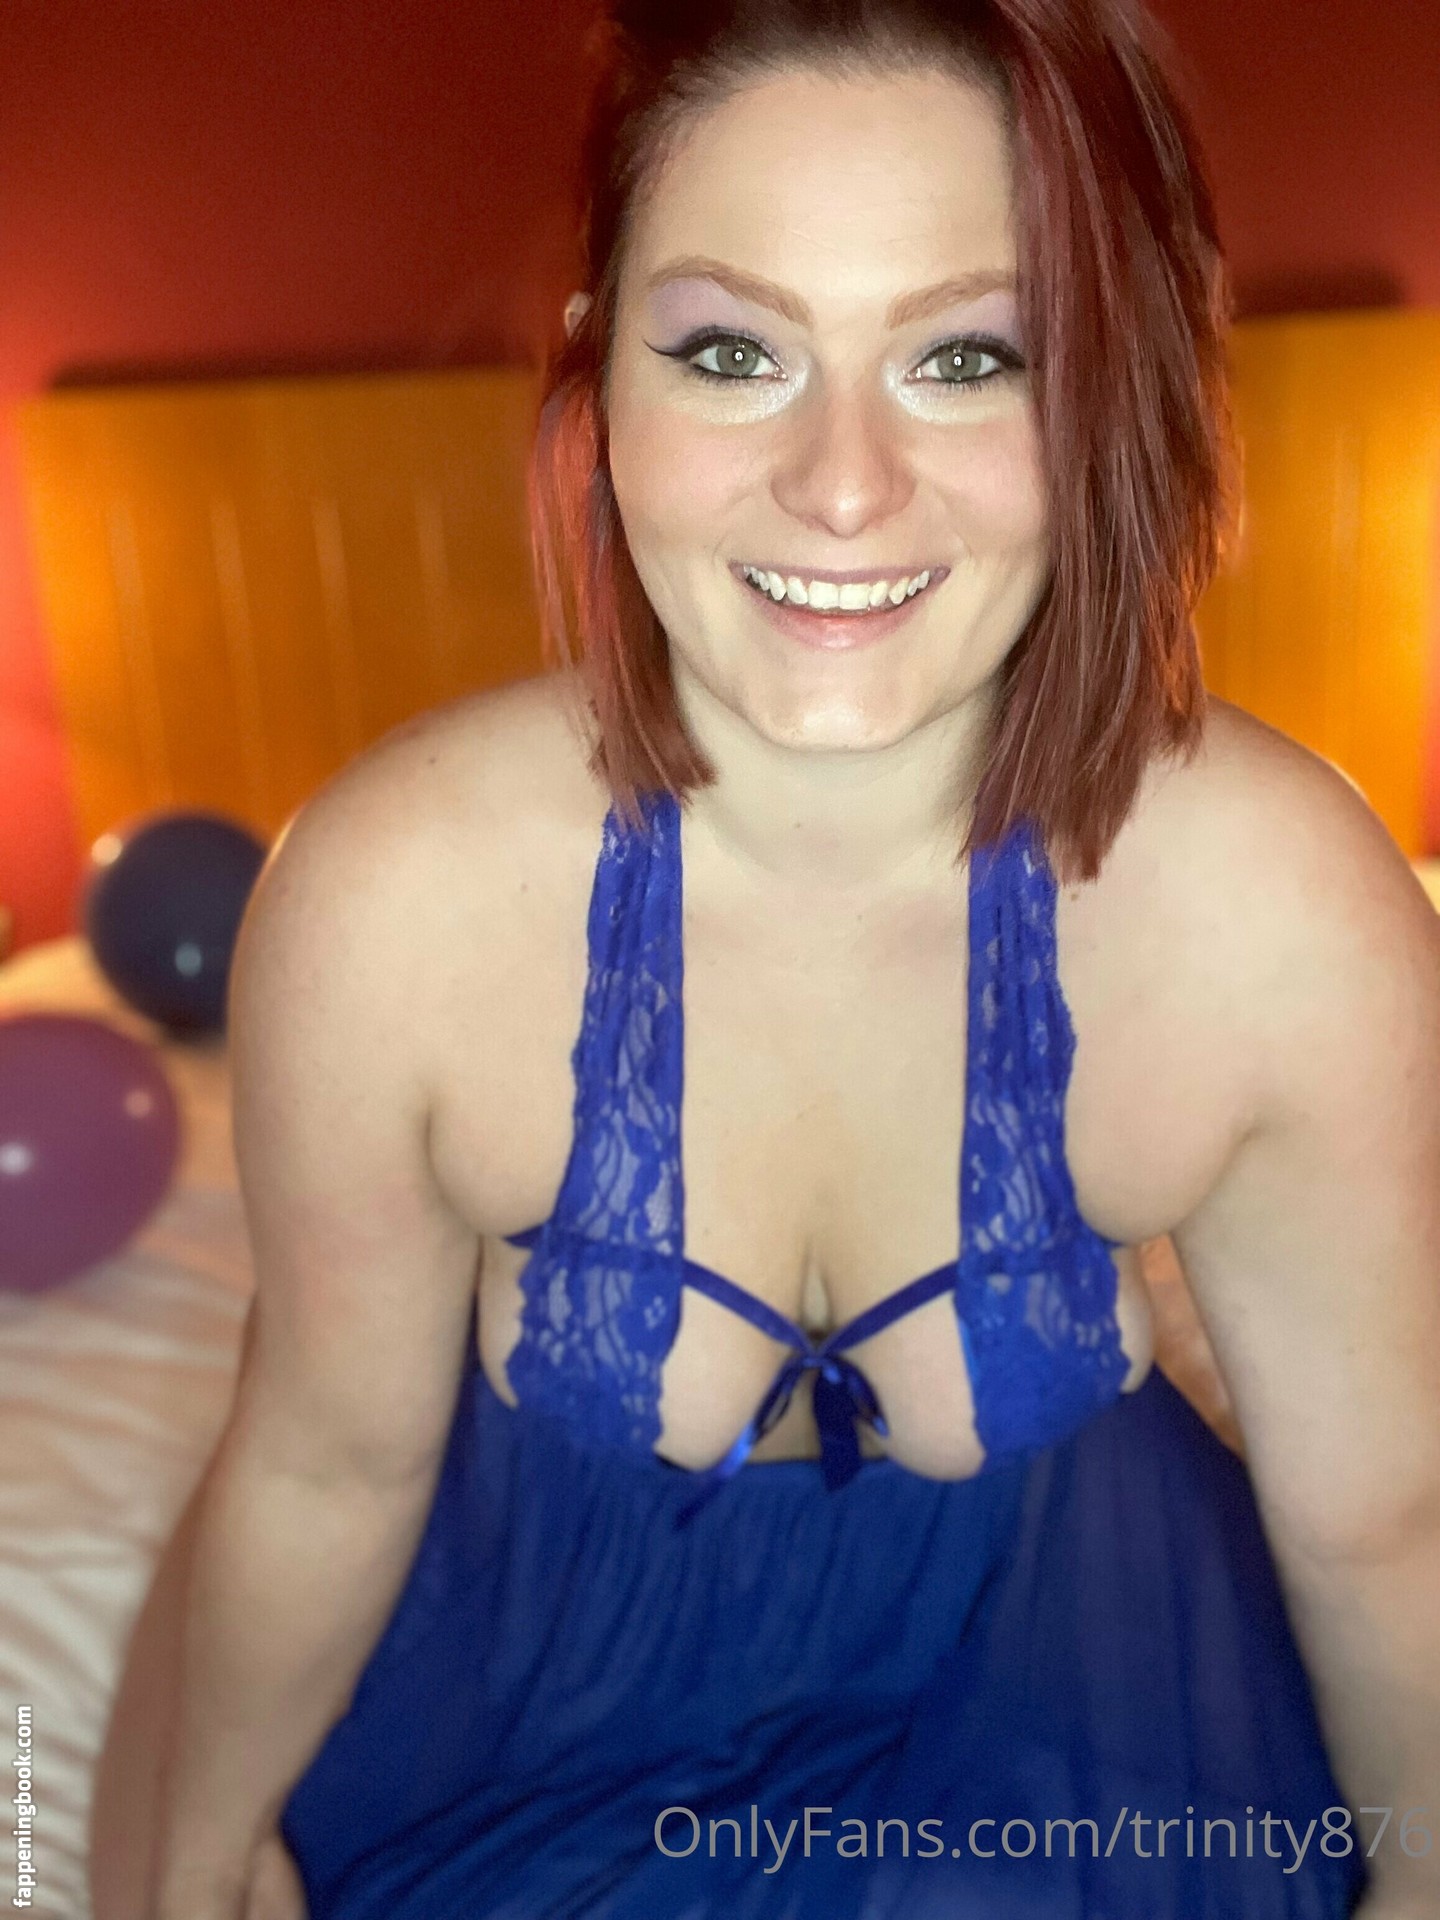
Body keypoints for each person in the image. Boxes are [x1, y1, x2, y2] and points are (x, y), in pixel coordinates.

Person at [90, 0, 1440, 1915]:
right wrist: (190, 1852)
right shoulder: (387, 905)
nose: (843, 484)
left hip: (1089, 1747)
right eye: (734, 351)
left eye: (968, 356)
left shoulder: (1286, 917)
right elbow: (322, 1467)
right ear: (599, 373)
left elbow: (1386, 1522)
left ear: (1108, 382)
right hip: (532, 1748)